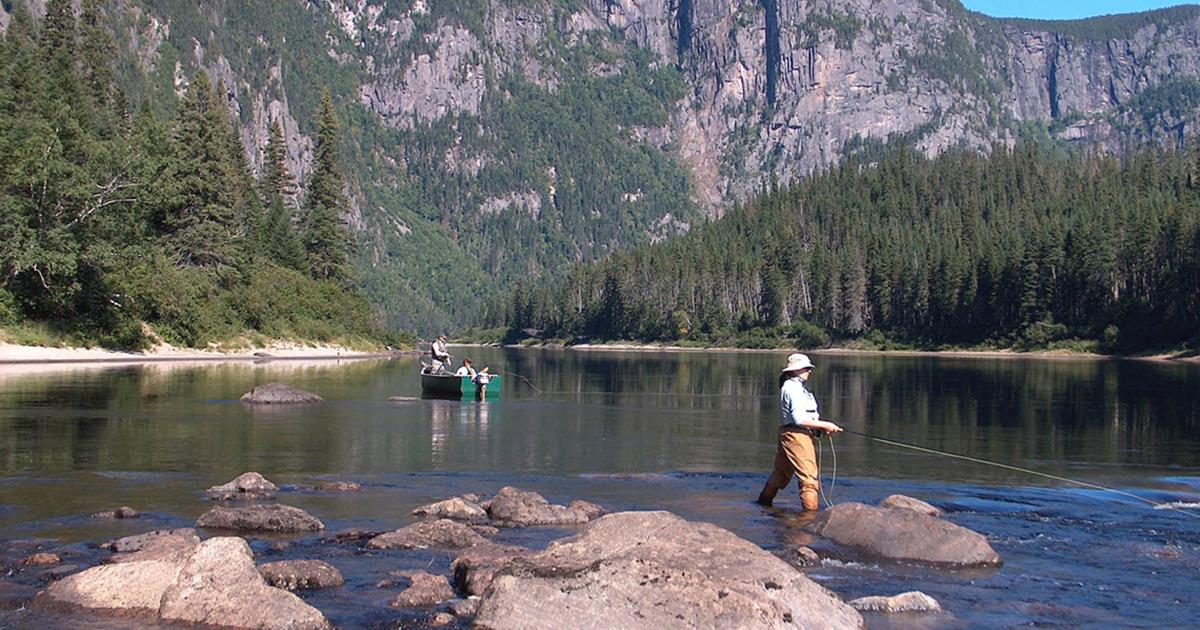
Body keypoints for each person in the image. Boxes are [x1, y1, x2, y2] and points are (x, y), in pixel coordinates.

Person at [757, 353, 843, 511]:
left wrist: (819, 429)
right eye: (805, 368)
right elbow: (798, 419)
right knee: (809, 478)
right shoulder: (793, 389)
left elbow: (803, 418)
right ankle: (810, 517)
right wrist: (825, 425)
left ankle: (763, 504)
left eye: (809, 368)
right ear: (794, 370)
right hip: (796, 436)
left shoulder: (796, 388)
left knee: (781, 474)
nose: (809, 371)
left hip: (791, 435)